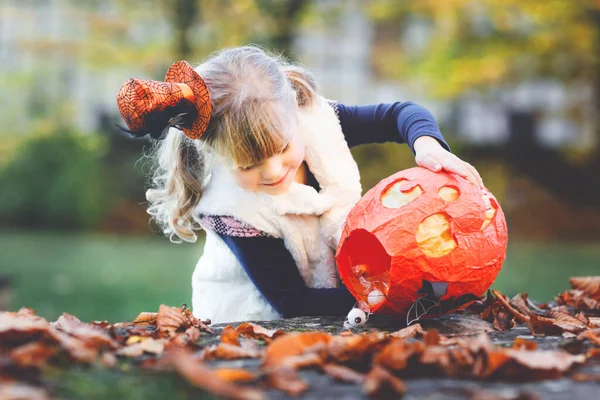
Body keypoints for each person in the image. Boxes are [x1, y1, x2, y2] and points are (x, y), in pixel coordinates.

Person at [116, 45, 483, 324]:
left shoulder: (319, 122)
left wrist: (427, 144)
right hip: (254, 326)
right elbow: (292, 303)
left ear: (294, 108)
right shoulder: (234, 210)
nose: (274, 171)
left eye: (282, 148)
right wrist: (397, 302)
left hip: (339, 310)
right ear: (218, 156)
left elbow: (400, 113)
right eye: (249, 164)